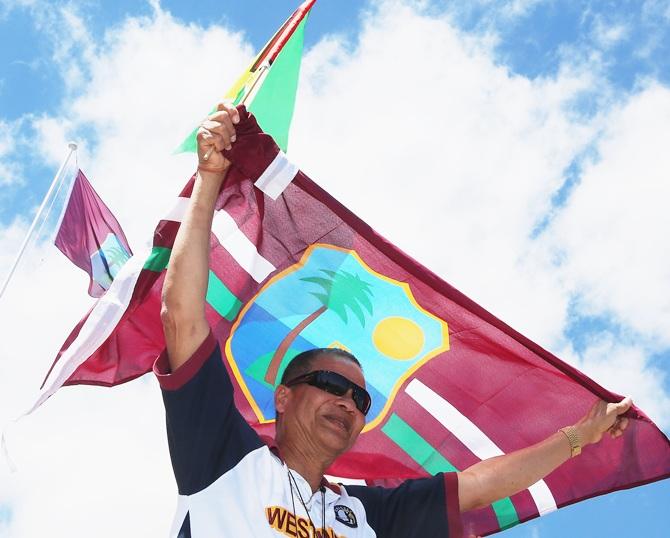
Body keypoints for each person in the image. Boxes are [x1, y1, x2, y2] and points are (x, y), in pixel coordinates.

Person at [155, 102, 633, 538]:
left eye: (360, 398)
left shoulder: (367, 515)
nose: (347, 403)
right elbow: (180, 316)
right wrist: (209, 177)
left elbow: (477, 487)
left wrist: (579, 436)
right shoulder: (223, 455)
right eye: (330, 384)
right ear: (283, 395)